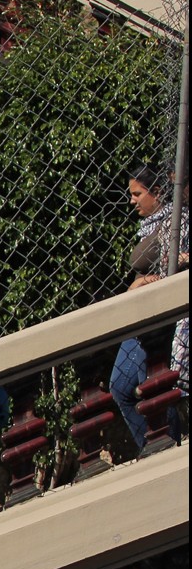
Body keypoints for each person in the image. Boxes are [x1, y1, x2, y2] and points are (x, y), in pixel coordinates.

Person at [110, 165, 188, 454]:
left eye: (137, 194)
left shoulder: (177, 222)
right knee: (120, 387)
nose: (132, 200)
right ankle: (151, 445)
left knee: (154, 384)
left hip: (161, 318)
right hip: (137, 315)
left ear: (156, 193)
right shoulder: (148, 227)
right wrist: (138, 283)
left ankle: (169, 446)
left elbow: (172, 267)